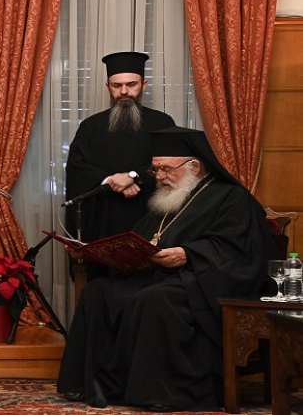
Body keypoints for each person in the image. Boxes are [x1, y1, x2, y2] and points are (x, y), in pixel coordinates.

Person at [58, 127, 275, 411]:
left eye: (165, 169)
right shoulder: (167, 200)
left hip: (202, 282)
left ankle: (159, 393)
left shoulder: (231, 197)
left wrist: (189, 254)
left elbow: (241, 251)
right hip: (157, 276)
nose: (159, 177)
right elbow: (142, 239)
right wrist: (107, 254)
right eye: (156, 169)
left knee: (155, 300)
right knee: (98, 292)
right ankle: (102, 386)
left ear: (194, 166)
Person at [65, 52, 176, 281]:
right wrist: (111, 179)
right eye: (117, 85)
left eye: (131, 84)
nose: (124, 92)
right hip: (103, 224)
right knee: (102, 291)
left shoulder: (162, 123)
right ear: (108, 87)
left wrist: (134, 176)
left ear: (143, 84)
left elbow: (173, 165)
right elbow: (77, 170)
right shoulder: (90, 127)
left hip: (150, 220)